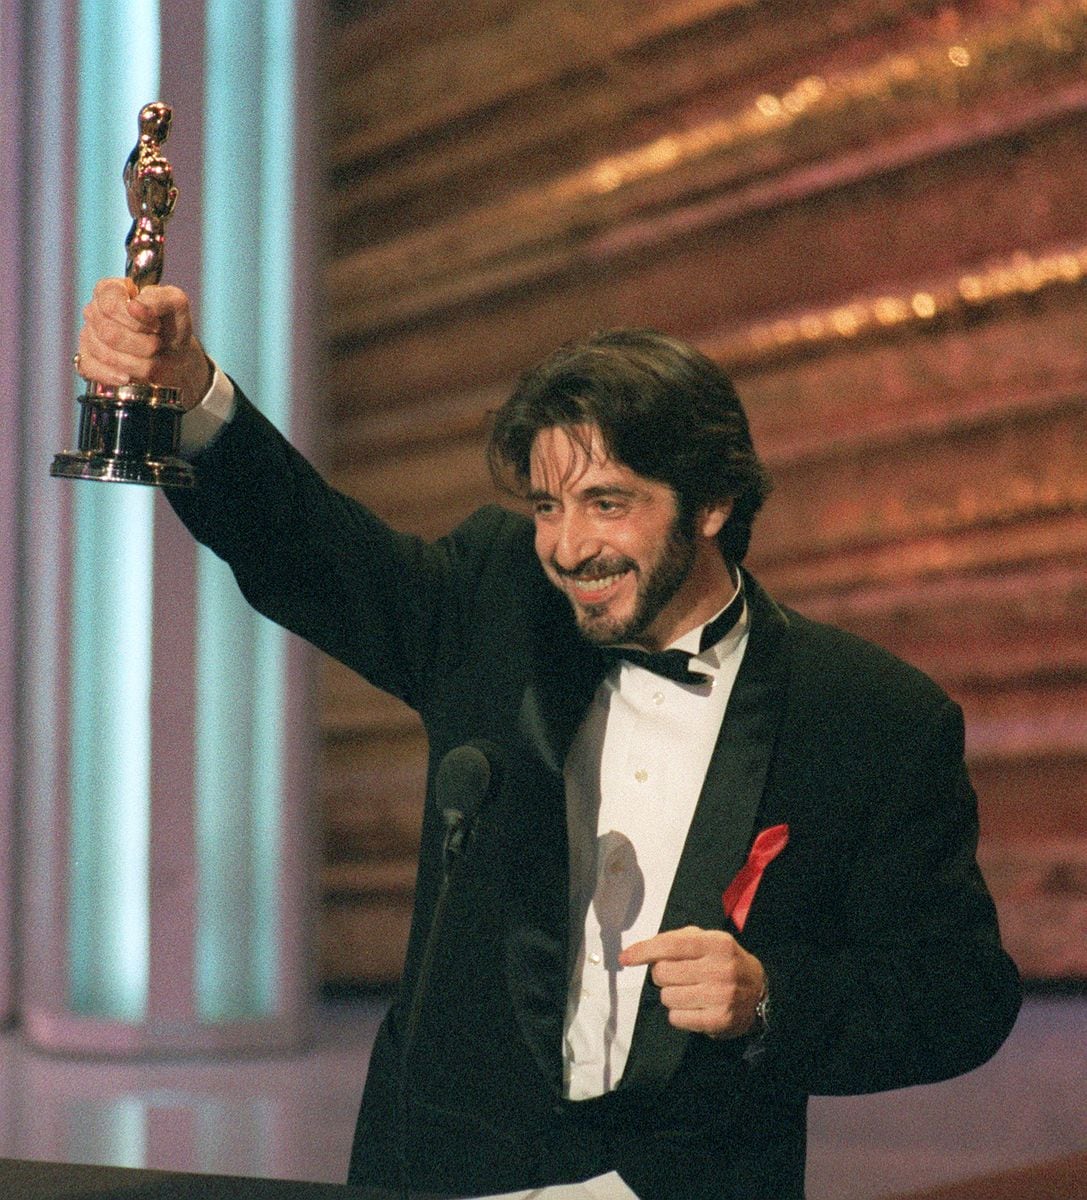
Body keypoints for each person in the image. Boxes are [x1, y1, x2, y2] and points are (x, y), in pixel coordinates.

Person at [76, 279, 1022, 1200]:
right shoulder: (498, 601)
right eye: (546, 506)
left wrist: (770, 998)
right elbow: (307, 547)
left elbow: (958, 998)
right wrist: (189, 392)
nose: (568, 548)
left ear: (711, 506)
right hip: (450, 1166)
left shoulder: (869, 717)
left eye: (607, 503)